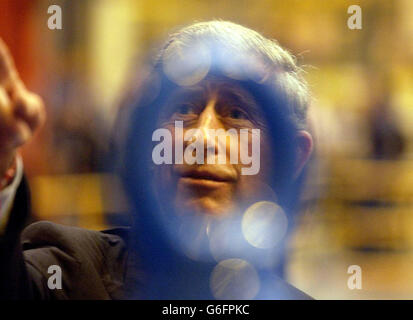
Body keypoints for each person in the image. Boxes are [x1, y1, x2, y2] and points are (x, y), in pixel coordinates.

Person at [0, 21, 313, 300]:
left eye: (236, 114)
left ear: (292, 157)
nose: (201, 138)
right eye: (183, 108)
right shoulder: (68, 271)